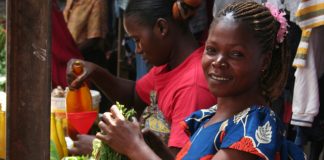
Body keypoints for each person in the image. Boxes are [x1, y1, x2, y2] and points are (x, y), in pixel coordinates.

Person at [95, 1, 306, 159]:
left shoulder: (252, 128)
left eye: (236, 54)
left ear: (264, 61)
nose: (219, 62)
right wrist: (151, 147)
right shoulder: (209, 117)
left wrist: (135, 148)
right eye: (212, 50)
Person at [66, 0, 217, 155]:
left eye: (137, 40)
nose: (137, 50)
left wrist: (104, 147)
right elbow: (134, 96)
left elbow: (175, 157)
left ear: (161, 28)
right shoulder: (168, 67)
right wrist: (95, 71)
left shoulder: (192, 87)